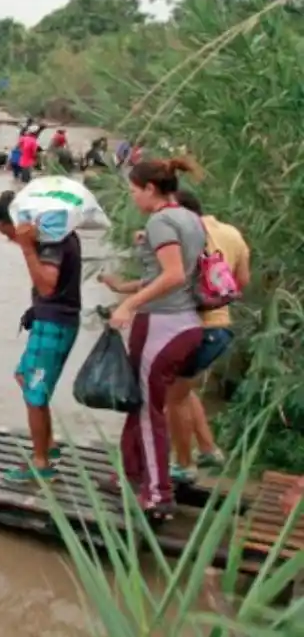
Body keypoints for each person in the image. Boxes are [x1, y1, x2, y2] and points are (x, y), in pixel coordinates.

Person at [108, 189, 248, 483]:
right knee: (183, 390)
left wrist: (126, 295)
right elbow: (241, 282)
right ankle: (208, 449)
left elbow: (169, 280)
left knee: (173, 400)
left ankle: (184, 465)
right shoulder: (231, 233)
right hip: (221, 328)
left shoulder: (186, 234)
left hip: (195, 326)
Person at [101, 158, 207, 518]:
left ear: (150, 189)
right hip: (185, 323)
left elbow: (174, 274)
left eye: (133, 191)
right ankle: (129, 471)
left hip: (163, 324)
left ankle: (159, 495)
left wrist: (128, 303)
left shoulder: (161, 220)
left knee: (148, 409)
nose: (132, 198)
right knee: (141, 400)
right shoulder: (189, 218)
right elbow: (178, 268)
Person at [0, 191, 83, 481]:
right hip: (50, 320)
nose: (10, 240)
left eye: (8, 232)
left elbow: (47, 286)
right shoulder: (56, 235)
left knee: (34, 391)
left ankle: (40, 463)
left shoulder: (52, 240)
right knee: (24, 377)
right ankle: (49, 445)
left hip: (55, 324)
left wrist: (27, 248)